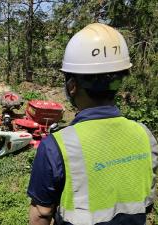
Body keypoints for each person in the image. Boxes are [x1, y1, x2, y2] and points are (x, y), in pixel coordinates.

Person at [27, 23, 158, 225]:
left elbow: (41, 213)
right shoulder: (145, 135)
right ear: (119, 81)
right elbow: (147, 200)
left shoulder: (57, 146)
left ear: (72, 86)